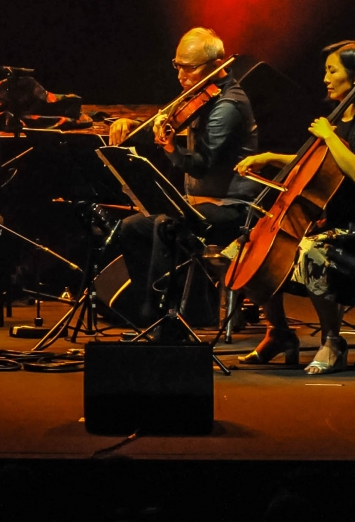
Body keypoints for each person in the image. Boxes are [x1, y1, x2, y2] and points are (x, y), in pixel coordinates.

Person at [233, 41, 355, 374]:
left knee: (311, 251)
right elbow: (319, 165)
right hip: (332, 219)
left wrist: (330, 135)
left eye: (332, 70)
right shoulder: (339, 119)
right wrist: (271, 157)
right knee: (243, 251)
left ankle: (333, 342)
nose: (325, 77)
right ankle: (278, 333)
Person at [107, 27, 259, 327]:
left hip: (230, 207)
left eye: (189, 69)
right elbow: (167, 121)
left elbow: (202, 165)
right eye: (178, 66)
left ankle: (175, 315)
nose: (181, 76)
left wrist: (171, 147)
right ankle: (147, 308)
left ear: (217, 65)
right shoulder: (198, 96)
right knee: (130, 229)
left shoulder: (228, 106)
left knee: (167, 226)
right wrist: (132, 123)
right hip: (197, 204)